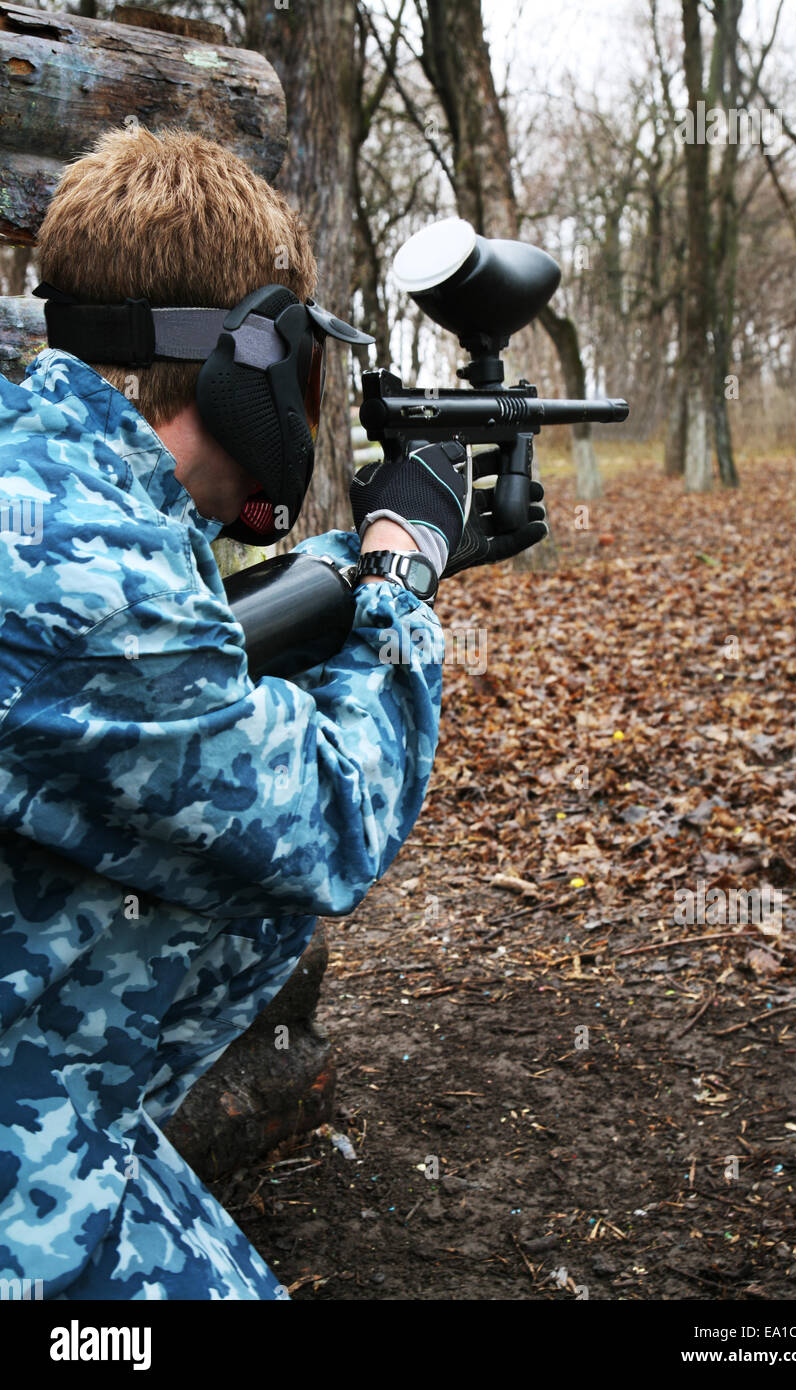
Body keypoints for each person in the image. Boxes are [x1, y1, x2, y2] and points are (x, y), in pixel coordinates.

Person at [0, 126, 547, 1299]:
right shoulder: (90, 582)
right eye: (298, 360)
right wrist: (400, 579)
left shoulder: (52, 495)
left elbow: (187, 682)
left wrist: (361, 564)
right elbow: (326, 815)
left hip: (54, 1091)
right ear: (246, 361)